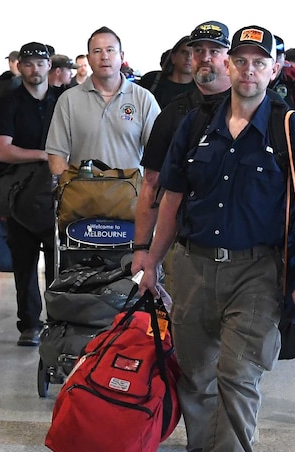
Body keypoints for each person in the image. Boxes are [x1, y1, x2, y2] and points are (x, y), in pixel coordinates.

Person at [138, 24, 295, 452]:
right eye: (241, 60)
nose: (249, 69)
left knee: (239, 375)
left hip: (258, 271)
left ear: (274, 71)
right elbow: (172, 199)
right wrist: (151, 260)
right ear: (228, 66)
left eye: (260, 62)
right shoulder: (195, 125)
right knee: (196, 374)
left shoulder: (293, 130)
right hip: (193, 266)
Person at [132, 21, 232, 291]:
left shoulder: (256, 107)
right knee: (184, 330)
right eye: (199, 50)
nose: (205, 58)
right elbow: (151, 183)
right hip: (184, 246)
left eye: (215, 51)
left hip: (248, 255)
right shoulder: (175, 113)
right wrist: (142, 249)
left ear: (229, 58)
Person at [0, 42, 62, 346]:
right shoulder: (9, 102)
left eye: (40, 63)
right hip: (21, 194)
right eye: (28, 63)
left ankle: (60, 322)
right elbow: (1, 150)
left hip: (59, 192)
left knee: (60, 264)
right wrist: (45, 155)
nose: (35, 69)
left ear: (49, 67)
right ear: (20, 66)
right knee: (24, 263)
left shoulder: (63, 100)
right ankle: (29, 324)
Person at [46, 26, 159, 176]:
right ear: (88, 59)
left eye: (110, 50)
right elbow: (56, 154)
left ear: (122, 56)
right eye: (97, 51)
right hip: (82, 194)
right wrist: (67, 190)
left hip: (131, 195)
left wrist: (148, 192)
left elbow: (158, 153)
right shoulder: (69, 100)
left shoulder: (143, 98)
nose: (104, 56)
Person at [138, 35, 194, 108]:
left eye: (194, 54)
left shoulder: (201, 91)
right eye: (184, 52)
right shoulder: (151, 80)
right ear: (173, 57)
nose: (189, 57)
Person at [268, 36, 295, 120]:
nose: (273, 62)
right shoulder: (245, 84)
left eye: (277, 57)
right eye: (268, 57)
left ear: (284, 59)